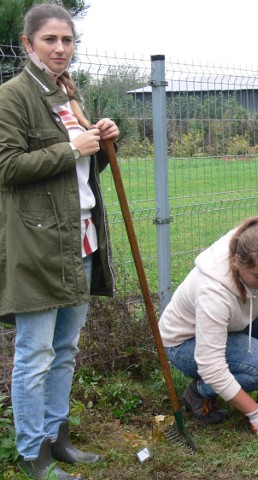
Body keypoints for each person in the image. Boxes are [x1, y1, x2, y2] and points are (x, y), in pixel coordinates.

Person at [0, 3, 120, 479]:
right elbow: (6, 167)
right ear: (28, 44)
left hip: (81, 240)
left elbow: (79, 171)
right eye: (50, 40)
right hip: (37, 244)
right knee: (36, 353)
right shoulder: (12, 96)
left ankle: (57, 438)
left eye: (67, 40)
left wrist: (102, 141)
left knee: (66, 348)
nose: (60, 48)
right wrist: (71, 146)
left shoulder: (69, 95)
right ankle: (33, 455)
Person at [159, 216, 258, 436]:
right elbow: (211, 366)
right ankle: (199, 392)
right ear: (237, 263)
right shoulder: (213, 291)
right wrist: (255, 414)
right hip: (186, 344)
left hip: (233, 323)